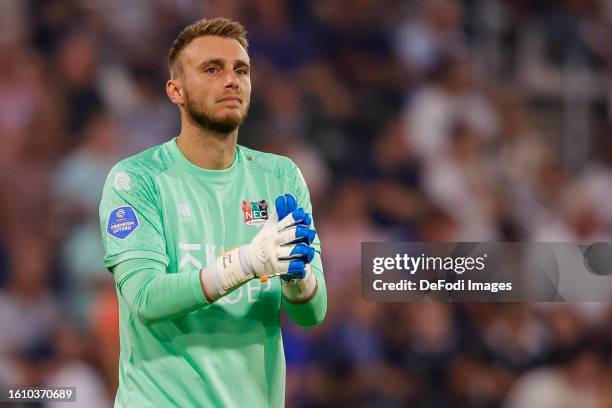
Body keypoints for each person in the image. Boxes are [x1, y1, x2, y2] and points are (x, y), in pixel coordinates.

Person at [98, 17, 327, 407]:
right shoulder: (136, 180)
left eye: (241, 70)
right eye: (212, 69)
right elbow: (146, 298)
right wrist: (247, 263)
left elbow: (312, 315)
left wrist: (298, 278)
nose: (232, 80)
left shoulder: (280, 177)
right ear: (176, 91)